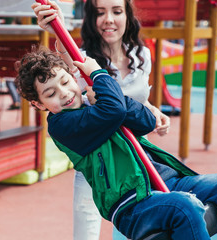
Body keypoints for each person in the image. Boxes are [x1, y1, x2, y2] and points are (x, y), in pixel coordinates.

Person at [15, 48, 217, 240]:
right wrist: (98, 74)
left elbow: (146, 121)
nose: (64, 93)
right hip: (132, 203)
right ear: (38, 104)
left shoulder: (97, 104)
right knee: (185, 207)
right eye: (51, 93)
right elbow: (114, 110)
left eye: (65, 82)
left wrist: (103, 96)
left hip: (166, 180)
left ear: (74, 78)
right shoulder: (62, 125)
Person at [31, 0, 170, 238]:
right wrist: (58, 28)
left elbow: (137, 100)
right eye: (100, 13)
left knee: (145, 225)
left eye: (117, 11)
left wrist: (154, 111)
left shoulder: (142, 55)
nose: (108, 19)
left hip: (136, 155)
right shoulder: (81, 59)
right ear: (90, 19)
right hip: (99, 161)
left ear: (128, 16)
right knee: (87, 224)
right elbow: (67, 60)